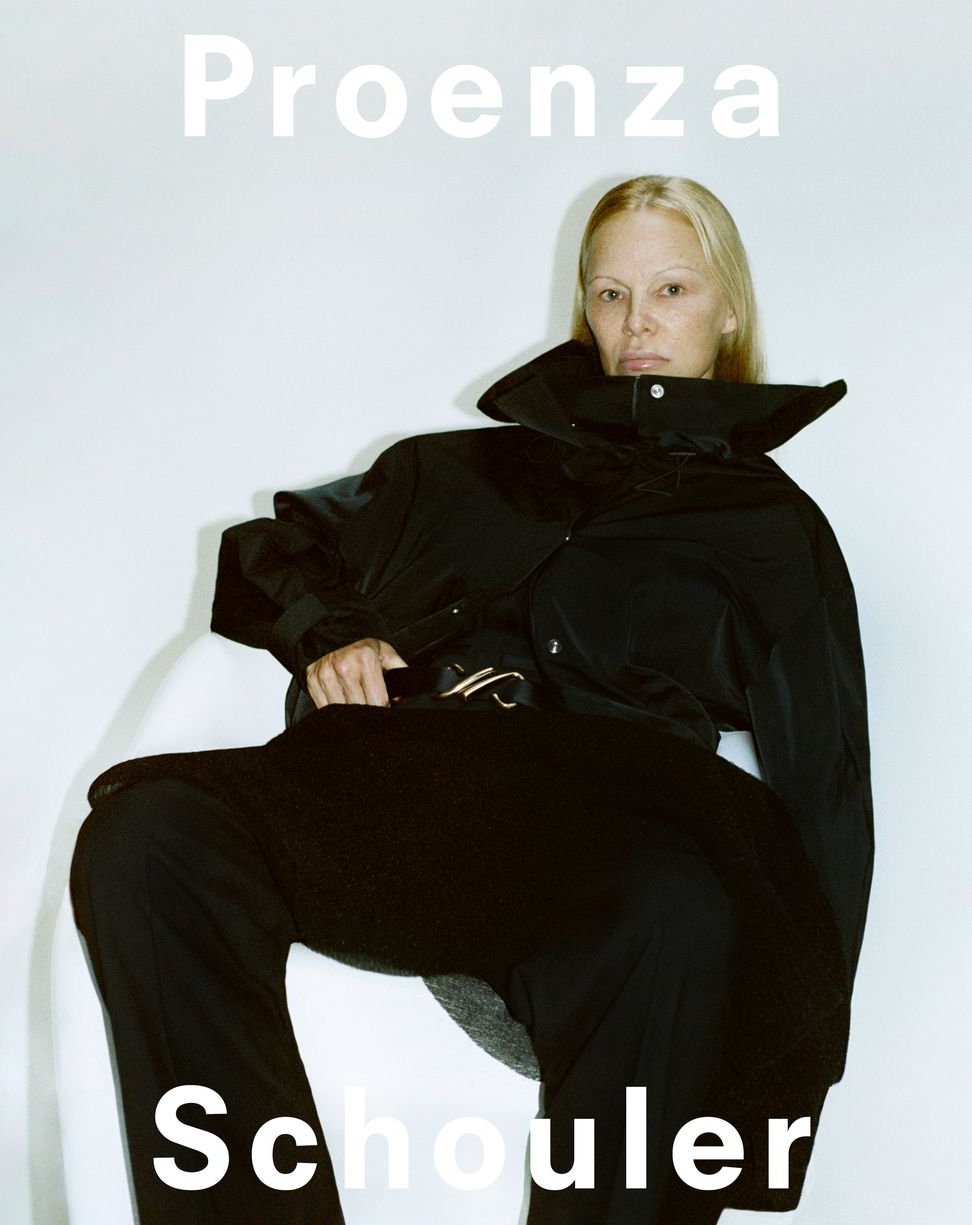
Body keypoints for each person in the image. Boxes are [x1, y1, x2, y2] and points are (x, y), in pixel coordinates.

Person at [70, 174, 874, 1225]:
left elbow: (827, 788)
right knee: (147, 836)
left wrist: (786, 1079)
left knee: (677, 902)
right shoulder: (462, 471)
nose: (637, 323)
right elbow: (271, 548)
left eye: (671, 289)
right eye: (610, 294)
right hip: (401, 797)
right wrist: (330, 632)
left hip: (607, 847)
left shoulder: (772, 530)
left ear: (728, 310)